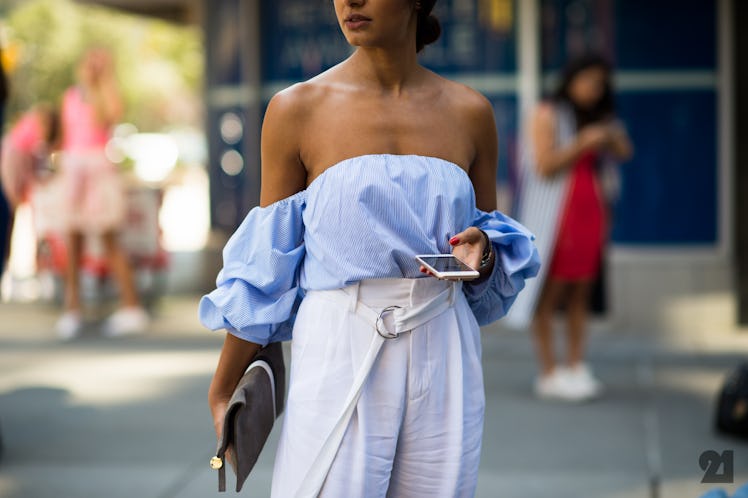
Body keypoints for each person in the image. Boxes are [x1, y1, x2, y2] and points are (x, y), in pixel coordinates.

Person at [200, 1, 539, 496]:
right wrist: (225, 383)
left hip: (445, 341)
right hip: (339, 338)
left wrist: (483, 252)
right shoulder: (297, 109)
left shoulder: (471, 112)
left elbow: (487, 241)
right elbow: (267, 262)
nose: (350, 1)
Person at [509, 54, 633, 401]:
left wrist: (607, 135)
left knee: (582, 291)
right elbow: (544, 165)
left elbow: (625, 151)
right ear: (572, 79)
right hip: (556, 216)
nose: (593, 90)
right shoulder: (548, 113)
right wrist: (582, 143)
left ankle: (575, 365)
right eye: (588, 81)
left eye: (599, 85)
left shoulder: (597, 116)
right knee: (551, 293)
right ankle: (548, 372)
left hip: (590, 210)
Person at [55, 48, 149, 339]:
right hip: (74, 172)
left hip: (97, 172)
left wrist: (101, 82)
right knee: (73, 242)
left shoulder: (106, 94)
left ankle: (131, 307)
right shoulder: (70, 95)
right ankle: (72, 309)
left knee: (109, 240)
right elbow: (65, 136)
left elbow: (107, 116)